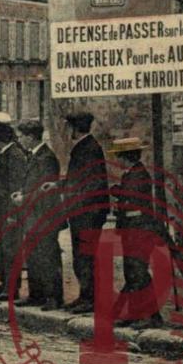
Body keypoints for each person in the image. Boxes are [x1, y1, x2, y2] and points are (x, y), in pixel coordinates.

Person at [109, 137, 166, 327]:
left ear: (126, 157)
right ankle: (136, 313)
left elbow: (132, 201)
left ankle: (151, 316)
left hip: (139, 229)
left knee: (138, 272)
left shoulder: (138, 175)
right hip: (131, 230)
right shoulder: (131, 173)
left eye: (119, 156)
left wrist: (119, 195)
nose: (117, 160)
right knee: (131, 272)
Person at [11, 119, 64, 309]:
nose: (19, 140)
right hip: (34, 215)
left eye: (21, 137)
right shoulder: (34, 155)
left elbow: (46, 189)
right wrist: (21, 194)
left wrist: (24, 199)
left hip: (45, 215)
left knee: (47, 255)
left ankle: (53, 297)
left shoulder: (46, 158)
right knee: (33, 255)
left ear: (31, 137)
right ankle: (37, 294)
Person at [63, 111, 110, 314]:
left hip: (87, 213)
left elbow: (91, 184)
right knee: (81, 255)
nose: (67, 131)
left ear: (76, 128)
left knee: (85, 256)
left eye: (69, 127)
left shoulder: (88, 149)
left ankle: (91, 299)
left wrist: (73, 203)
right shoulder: (85, 147)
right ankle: (86, 296)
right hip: (83, 212)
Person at [0, 115, 28, 301]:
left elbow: (16, 186)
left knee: (11, 250)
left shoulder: (15, 156)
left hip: (8, 210)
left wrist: (12, 213)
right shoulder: (5, 154)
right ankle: (5, 284)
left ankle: (11, 288)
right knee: (2, 249)